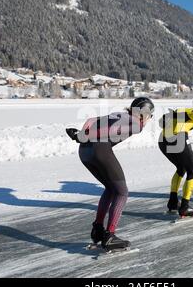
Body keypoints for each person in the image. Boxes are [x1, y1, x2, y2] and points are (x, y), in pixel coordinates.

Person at [66, 97, 155, 251]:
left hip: (84, 152)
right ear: (143, 113)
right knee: (122, 192)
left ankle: (98, 230)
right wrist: (84, 135)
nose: (149, 119)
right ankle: (109, 235)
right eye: (150, 115)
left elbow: (91, 119)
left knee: (110, 187)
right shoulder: (136, 123)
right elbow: (109, 131)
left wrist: (83, 134)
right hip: (99, 149)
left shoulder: (118, 115)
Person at [158, 94, 193, 218]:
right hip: (177, 139)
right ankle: (185, 207)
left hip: (163, 140)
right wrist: (182, 113)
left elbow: (162, 122)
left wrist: (176, 113)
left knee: (181, 168)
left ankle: (173, 202)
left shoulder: (182, 111)